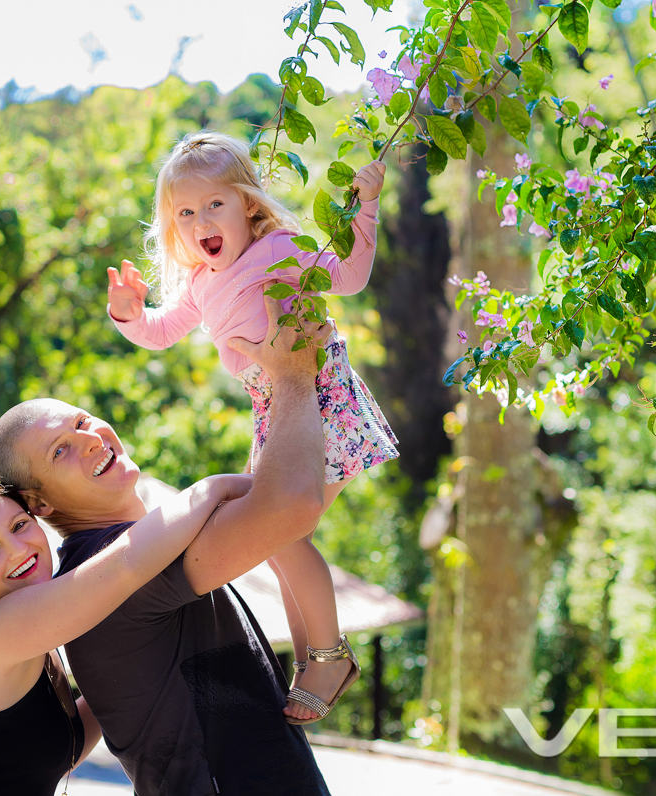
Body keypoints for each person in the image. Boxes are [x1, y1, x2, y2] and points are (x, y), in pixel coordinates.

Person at [0, 296, 332, 795]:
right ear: (38, 504)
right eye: (60, 449)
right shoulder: (112, 569)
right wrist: (292, 373)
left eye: (81, 421)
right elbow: (293, 504)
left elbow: (285, 528)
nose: (89, 439)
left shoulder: (147, 546)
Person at [105, 130, 398, 724]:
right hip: (274, 408)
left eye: (215, 203)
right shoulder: (200, 282)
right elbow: (161, 332)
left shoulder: (280, 248)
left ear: (249, 205)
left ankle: (327, 657)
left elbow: (347, 277)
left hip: (319, 396)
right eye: (185, 212)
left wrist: (366, 207)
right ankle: (313, 663)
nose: (200, 220)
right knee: (275, 539)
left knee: (282, 534)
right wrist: (128, 313)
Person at [0, 472, 248, 796]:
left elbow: (61, 745)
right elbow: (124, 567)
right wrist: (214, 489)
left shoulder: (32, 645)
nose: (17, 550)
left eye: (20, 525)